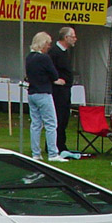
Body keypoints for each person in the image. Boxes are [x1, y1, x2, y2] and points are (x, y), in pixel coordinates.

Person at [25, 31, 67, 163]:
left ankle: (36, 153)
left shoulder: (29, 57)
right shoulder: (44, 58)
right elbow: (54, 75)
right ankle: (53, 153)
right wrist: (55, 80)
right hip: (43, 93)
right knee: (51, 124)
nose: (49, 46)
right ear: (43, 44)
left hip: (32, 93)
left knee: (36, 124)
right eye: (48, 44)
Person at [47, 26, 77, 152]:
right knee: (58, 117)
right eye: (73, 36)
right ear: (66, 37)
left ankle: (60, 143)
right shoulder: (54, 52)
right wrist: (56, 80)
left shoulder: (65, 52)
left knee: (64, 117)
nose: (75, 39)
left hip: (65, 90)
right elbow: (49, 69)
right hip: (58, 91)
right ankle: (55, 144)